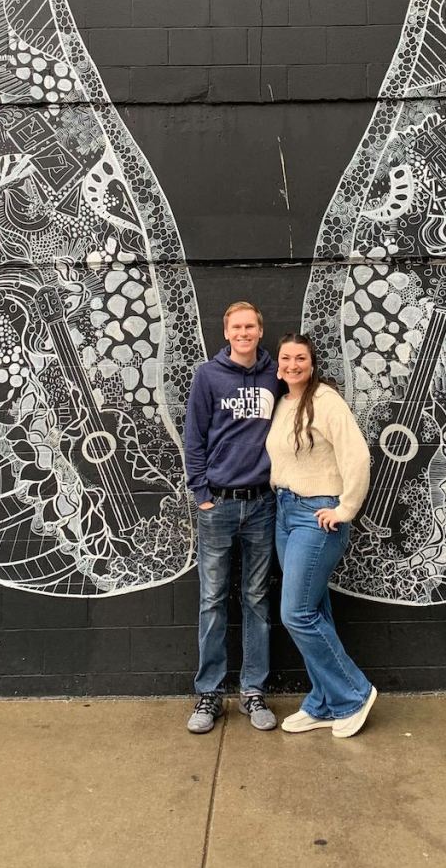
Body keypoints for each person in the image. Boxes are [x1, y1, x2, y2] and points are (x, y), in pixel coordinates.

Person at [267, 333, 376, 738]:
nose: (292, 365)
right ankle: (324, 702)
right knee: (314, 612)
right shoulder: (284, 403)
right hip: (285, 512)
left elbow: (357, 454)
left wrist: (345, 508)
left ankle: (354, 693)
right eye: (285, 358)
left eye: (300, 359)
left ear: (312, 365)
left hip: (317, 515)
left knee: (295, 613)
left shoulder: (326, 401)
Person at [183, 301, 281, 734]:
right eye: (236, 327)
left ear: (260, 331)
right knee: (212, 599)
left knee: (257, 600)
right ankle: (209, 693)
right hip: (218, 506)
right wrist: (202, 494)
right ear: (226, 332)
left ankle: (253, 690)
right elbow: (194, 437)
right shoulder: (208, 375)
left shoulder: (275, 373)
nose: (243, 333)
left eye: (250, 326)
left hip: (262, 504)